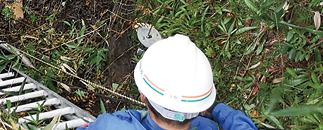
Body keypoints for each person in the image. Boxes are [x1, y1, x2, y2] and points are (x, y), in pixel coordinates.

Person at [83, 34, 258, 130]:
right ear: (203, 108)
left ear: (143, 96)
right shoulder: (207, 127)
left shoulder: (112, 125)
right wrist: (219, 111)